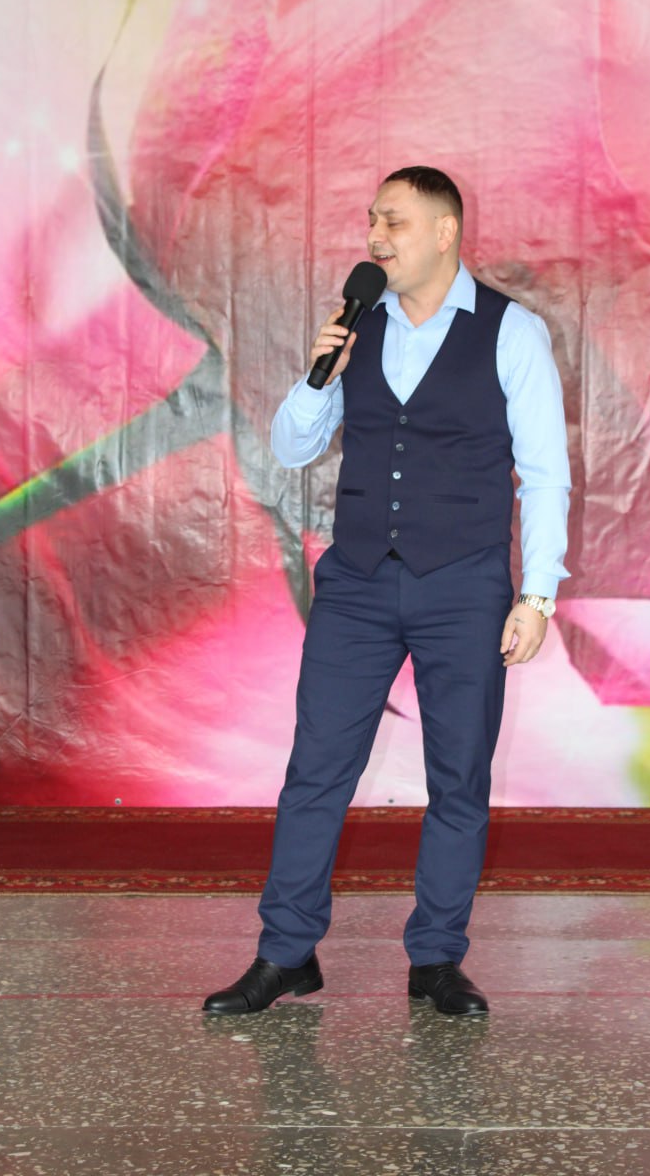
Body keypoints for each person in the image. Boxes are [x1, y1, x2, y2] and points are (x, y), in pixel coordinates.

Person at [204, 166, 570, 1016]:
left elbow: (545, 473)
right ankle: (286, 953)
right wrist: (319, 372)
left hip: (464, 585)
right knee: (315, 771)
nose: (374, 236)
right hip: (358, 585)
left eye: (393, 221)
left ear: (444, 232)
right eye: (371, 218)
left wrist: (537, 595)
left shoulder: (510, 332)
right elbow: (291, 449)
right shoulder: (358, 326)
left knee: (457, 779)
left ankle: (435, 960)